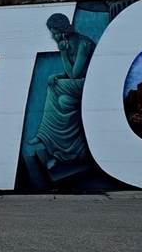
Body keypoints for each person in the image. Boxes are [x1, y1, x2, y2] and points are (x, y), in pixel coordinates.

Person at [27, 13, 95, 170]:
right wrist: (57, 75)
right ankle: (55, 149)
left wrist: (63, 53)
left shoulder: (83, 44)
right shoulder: (69, 43)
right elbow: (71, 74)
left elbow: (75, 74)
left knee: (57, 91)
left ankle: (46, 137)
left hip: (90, 86)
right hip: (77, 84)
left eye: (55, 33)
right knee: (60, 95)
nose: (52, 36)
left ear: (63, 31)